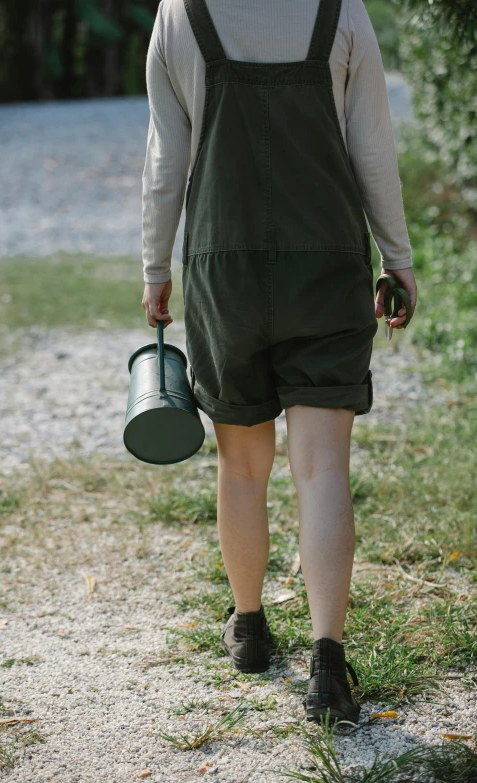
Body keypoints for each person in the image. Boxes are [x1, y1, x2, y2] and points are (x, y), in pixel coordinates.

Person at [141, 0, 417, 725]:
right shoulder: (341, 11)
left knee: (241, 465)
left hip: (222, 269)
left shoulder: (180, 15)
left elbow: (166, 158)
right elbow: (373, 149)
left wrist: (154, 267)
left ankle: (251, 626)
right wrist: (398, 257)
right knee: (323, 467)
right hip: (325, 265)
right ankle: (329, 665)